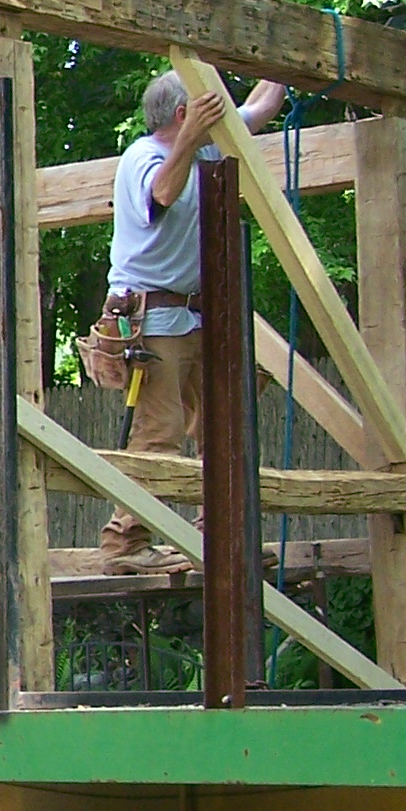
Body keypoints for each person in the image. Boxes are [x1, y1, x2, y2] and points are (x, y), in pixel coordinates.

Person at [95, 67, 287, 571]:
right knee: (159, 431)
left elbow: (263, 107)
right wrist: (193, 137)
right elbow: (162, 194)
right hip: (151, 318)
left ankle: (216, 537)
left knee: (221, 426)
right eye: (209, 105)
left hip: (196, 316)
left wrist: (279, 66)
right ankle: (125, 543)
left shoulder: (204, 148)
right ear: (185, 114)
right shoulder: (143, 157)